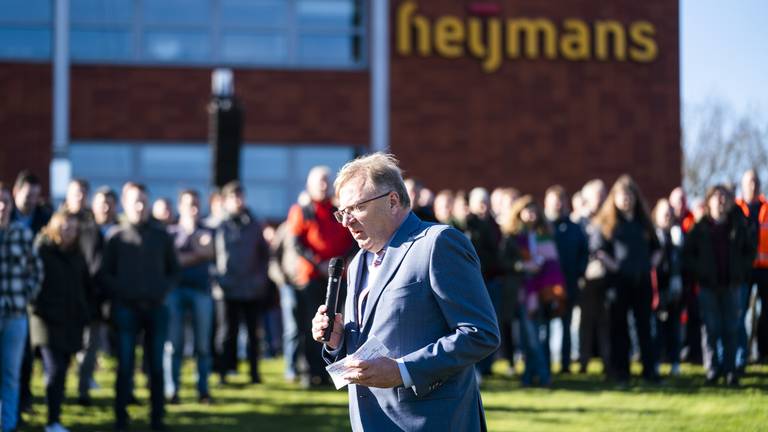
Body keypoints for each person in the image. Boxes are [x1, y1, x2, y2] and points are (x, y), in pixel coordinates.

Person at [312, 153, 499, 431]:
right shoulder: (358, 261)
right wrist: (337, 342)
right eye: (342, 212)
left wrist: (403, 370)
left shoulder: (438, 244)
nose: (347, 221)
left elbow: (480, 333)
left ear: (392, 200)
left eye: (357, 208)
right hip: (369, 420)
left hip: (431, 420)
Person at [100, 182, 179, 431]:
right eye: (135, 201)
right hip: (126, 309)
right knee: (125, 366)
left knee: (155, 366)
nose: (140, 205)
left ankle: (157, 418)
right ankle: (121, 419)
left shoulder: (160, 235)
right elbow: (105, 274)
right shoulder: (116, 236)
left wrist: (161, 290)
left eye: (144, 200)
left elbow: (174, 271)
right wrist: (123, 291)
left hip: (156, 308)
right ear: (125, 204)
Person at [286, 166, 355, 387]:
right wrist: (318, 263)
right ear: (310, 185)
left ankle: (333, 372)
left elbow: (352, 241)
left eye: (327, 181)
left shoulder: (339, 210)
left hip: (338, 275)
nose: (324, 185)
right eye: (319, 181)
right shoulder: (302, 210)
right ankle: (311, 372)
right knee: (311, 326)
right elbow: (297, 243)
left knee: (338, 324)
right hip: (311, 277)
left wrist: (337, 262)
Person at [591, 175, 661, 385]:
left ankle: (650, 372)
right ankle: (621, 372)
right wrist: (614, 265)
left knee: (645, 327)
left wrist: (651, 264)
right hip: (617, 283)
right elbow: (597, 249)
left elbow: (657, 248)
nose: (626, 200)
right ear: (615, 198)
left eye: (630, 195)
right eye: (623, 196)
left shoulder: (642, 222)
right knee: (618, 328)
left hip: (642, 281)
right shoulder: (607, 223)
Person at [684, 185, 753, 386]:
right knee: (711, 329)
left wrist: (741, 272)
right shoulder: (700, 227)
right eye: (717, 197)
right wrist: (701, 273)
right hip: (708, 286)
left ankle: (731, 370)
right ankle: (713, 369)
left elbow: (749, 251)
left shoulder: (738, 225)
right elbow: (688, 254)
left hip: (732, 285)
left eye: (724, 197)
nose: (721, 201)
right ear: (709, 201)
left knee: (732, 328)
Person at [30, 211, 90, 432]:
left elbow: (83, 286)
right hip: (45, 321)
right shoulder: (42, 249)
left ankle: (54, 417)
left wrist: (85, 312)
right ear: (55, 226)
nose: (69, 232)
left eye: (73, 228)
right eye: (65, 226)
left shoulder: (77, 255)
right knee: (53, 369)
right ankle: (49, 421)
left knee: (62, 370)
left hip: (70, 321)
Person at [213, 181, 270, 385]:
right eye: (233, 197)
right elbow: (210, 256)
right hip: (225, 289)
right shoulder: (218, 226)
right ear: (226, 201)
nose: (237, 201)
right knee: (226, 333)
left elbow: (265, 255)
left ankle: (254, 374)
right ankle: (223, 372)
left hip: (251, 288)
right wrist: (218, 280)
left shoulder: (254, 225)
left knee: (254, 335)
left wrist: (260, 279)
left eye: (240, 196)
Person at [505, 195, 565, 386]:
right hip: (523, 291)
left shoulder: (544, 235)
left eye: (534, 211)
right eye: (527, 211)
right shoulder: (513, 238)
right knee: (529, 336)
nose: (531, 215)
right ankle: (542, 375)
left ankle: (530, 377)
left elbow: (553, 263)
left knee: (540, 334)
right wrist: (523, 266)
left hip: (543, 290)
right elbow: (505, 261)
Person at [0, 182, 43, 432]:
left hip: (16, 314)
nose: (2, 206)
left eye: (5, 201)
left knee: (11, 375)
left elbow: (37, 271)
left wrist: (25, 296)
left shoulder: (22, 234)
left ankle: (8, 425)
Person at [166, 190, 215, 404]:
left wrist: (187, 255)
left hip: (201, 292)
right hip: (174, 292)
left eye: (196, 204)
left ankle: (202, 391)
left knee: (202, 346)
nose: (193, 209)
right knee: (173, 345)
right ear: (180, 207)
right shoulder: (171, 232)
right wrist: (198, 251)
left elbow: (211, 251)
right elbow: (172, 261)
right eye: (188, 205)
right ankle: (172, 390)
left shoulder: (209, 230)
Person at [11, 170, 52, 416]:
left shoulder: (44, 219)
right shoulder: (7, 217)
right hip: (8, 292)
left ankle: (24, 400)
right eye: (27, 195)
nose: (31, 200)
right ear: (16, 192)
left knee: (26, 354)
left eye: (36, 196)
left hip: (30, 295)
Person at [544, 185, 589, 374]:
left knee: (566, 326)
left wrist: (579, 274)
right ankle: (544, 364)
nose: (558, 205)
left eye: (560, 201)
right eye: (554, 201)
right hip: (545, 287)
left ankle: (565, 364)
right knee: (544, 328)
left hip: (568, 284)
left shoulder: (574, 228)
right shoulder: (543, 228)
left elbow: (584, 253)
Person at [577, 179, 611, 374]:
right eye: (597, 195)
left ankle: (608, 361)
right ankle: (583, 361)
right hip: (586, 279)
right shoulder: (579, 221)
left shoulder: (609, 220)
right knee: (585, 323)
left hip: (606, 279)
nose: (601, 199)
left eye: (603, 194)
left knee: (605, 322)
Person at [734, 170, 768, 364]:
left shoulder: (766, 207)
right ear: (743, 185)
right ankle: (742, 353)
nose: (752, 186)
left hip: (765, 268)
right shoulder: (736, 209)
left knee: (765, 312)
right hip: (744, 268)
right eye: (749, 182)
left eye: (755, 181)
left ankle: (763, 352)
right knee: (741, 310)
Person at [651, 198, 684, 376]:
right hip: (657, 288)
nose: (667, 217)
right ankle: (655, 362)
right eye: (664, 213)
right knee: (656, 329)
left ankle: (675, 362)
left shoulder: (677, 235)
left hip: (674, 288)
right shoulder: (653, 236)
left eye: (669, 214)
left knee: (674, 328)